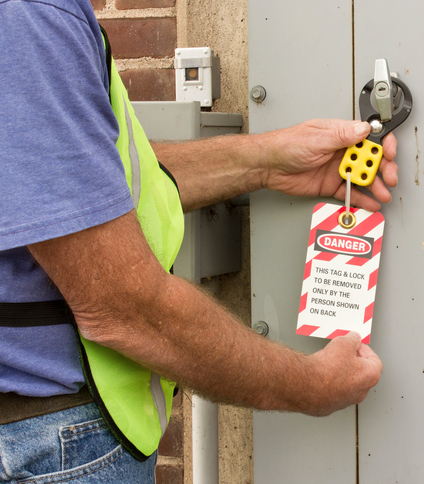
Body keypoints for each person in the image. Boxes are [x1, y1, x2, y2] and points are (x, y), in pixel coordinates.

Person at [0, 0, 397, 481]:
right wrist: (312, 386)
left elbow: (92, 185)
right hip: (52, 447)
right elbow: (125, 308)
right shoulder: (28, 18)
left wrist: (267, 161)